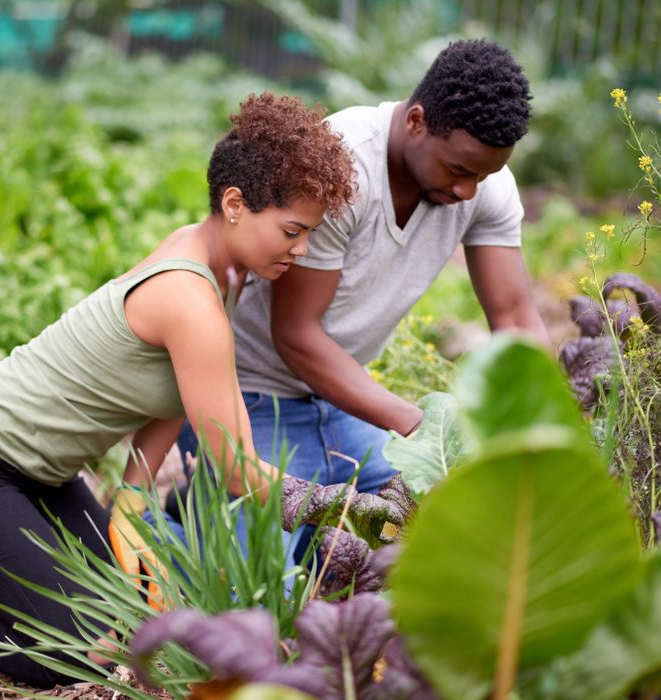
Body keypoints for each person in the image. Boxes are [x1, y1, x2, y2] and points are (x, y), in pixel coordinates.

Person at [0, 92, 374, 686]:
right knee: (80, 654)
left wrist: (131, 499)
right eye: (292, 229)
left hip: (43, 474)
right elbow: (237, 471)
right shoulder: (190, 299)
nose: (303, 248)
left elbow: (170, 391)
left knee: (133, 614)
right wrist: (348, 508)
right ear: (235, 204)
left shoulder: (218, 268)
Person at [178, 39, 552, 523]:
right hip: (248, 400)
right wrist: (424, 428)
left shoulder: (483, 185)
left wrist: (547, 429)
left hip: (345, 406)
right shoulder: (337, 168)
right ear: (416, 121)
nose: (467, 191)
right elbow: (296, 335)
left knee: (434, 530)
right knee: (261, 583)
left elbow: (516, 317)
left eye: (484, 174)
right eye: (459, 170)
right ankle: (184, 509)